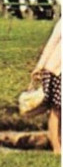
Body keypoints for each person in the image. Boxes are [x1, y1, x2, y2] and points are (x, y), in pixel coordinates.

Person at [32, 18, 61, 154]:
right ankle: (56, 147)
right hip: (58, 70)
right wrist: (39, 66)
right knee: (57, 109)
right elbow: (51, 44)